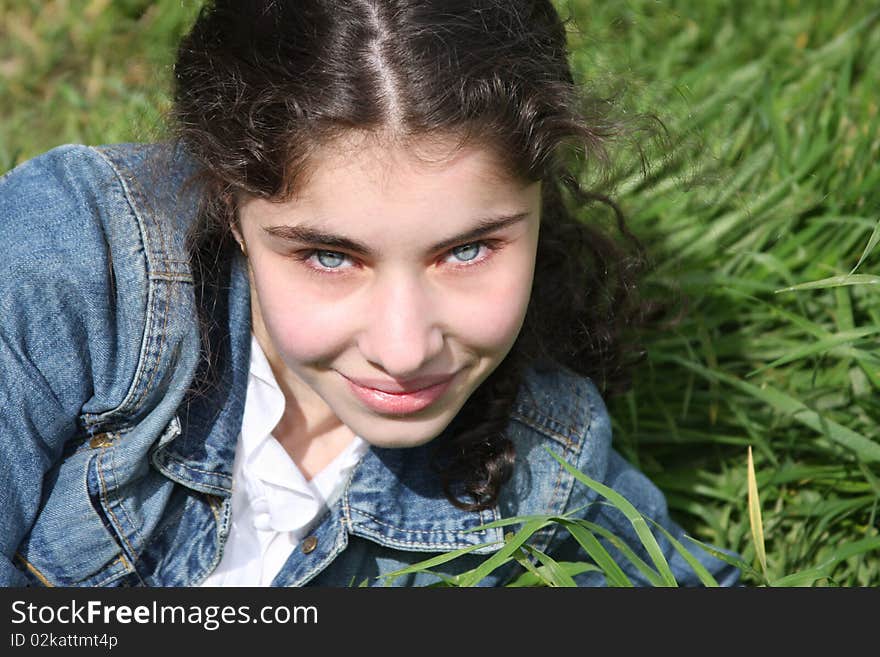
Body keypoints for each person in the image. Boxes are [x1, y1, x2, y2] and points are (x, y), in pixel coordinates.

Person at [0, 0, 739, 587]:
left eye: (469, 249)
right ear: (226, 194)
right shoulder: (69, 263)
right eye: (329, 256)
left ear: (543, 199)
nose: (403, 348)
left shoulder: (543, 454)